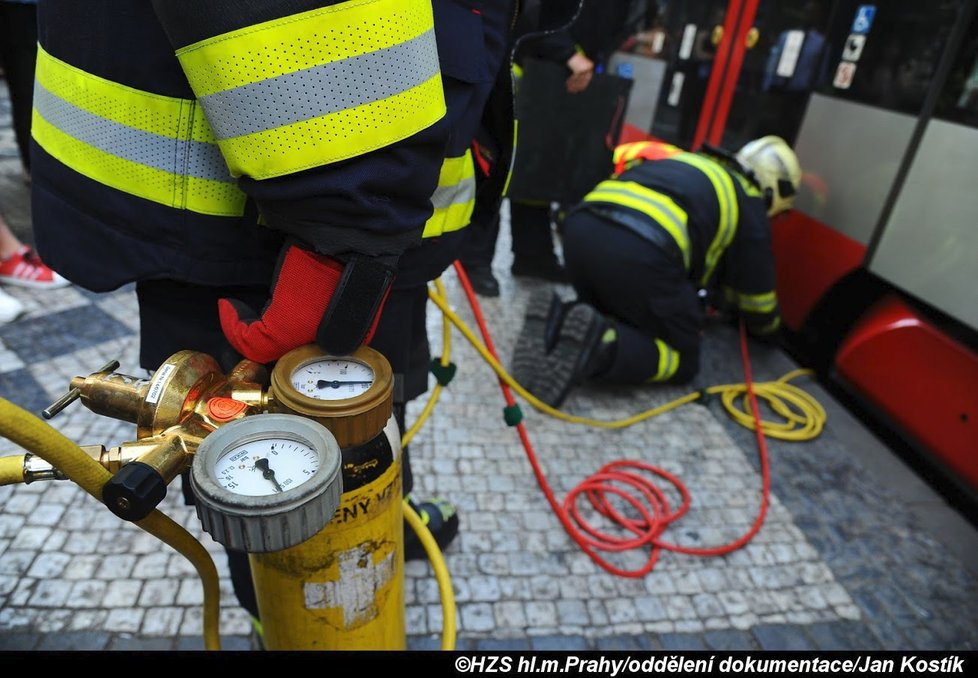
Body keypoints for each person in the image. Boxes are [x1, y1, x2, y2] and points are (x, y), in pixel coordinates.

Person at [29, 0, 510, 618]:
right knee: (251, 454)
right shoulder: (342, 218)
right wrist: (344, 232)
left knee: (371, 410)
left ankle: (387, 515)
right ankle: (288, 621)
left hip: (373, 202)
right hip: (282, 217)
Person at [511, 135, 801, 408]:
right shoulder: (750, 204)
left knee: (621, 308)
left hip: (581, 235)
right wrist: (772, 333)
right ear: (773, 190)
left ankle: (556, 318)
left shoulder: (691, 162)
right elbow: (757, 299)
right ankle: (600, 345)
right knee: (684, 357)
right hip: (641, 255)